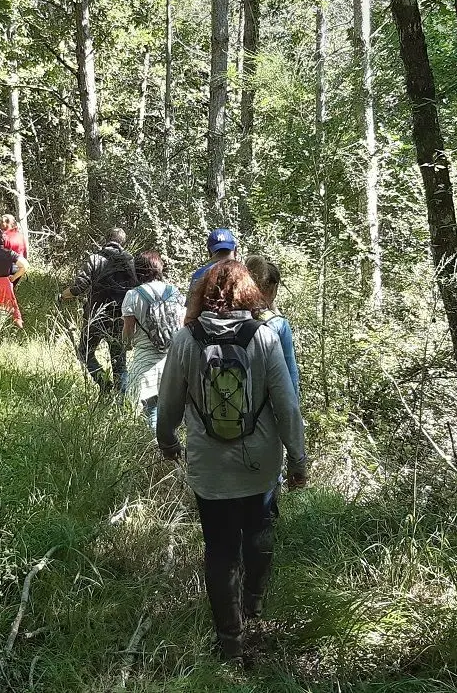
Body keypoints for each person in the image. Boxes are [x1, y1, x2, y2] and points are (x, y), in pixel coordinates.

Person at [156, 261, 307, 663]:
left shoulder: (186, 340)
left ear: (203, 294)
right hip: (260, 462)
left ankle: (230, 639)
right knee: (258, 530)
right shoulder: (265, 338)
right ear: (249, 293)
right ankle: (254, 604)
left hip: (209, 466)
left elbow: (168, 404)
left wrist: (167, 442)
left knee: (220, 548)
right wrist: (298, 459)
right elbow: (287, 405)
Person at [61, 228, 138, 400]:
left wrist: (62, 296)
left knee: (84, 353)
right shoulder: (130, 261)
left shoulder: (95, 259)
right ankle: (120, 403)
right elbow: (136, 289)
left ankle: (104, 384)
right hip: (120, 318)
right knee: (119, 363)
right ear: (123, 243)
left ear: (106, 239)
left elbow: (79, 287)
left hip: (96, 316)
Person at [122, 251, 185, 428]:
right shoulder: (174, 292)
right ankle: (168, 438)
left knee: (151, 406)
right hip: (172, 357)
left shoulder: (133, 295)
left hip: (145, 358)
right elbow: (182, 325)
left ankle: (157, 440)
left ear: (138, 270)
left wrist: (126, 345)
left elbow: (128, 330)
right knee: (166, 406)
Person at [244, 255, 299, 398]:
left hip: (236, 401)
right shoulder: (279, 325)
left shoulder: (236, 316)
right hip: (267, 404)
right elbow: (290, 374)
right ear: (273, 287)